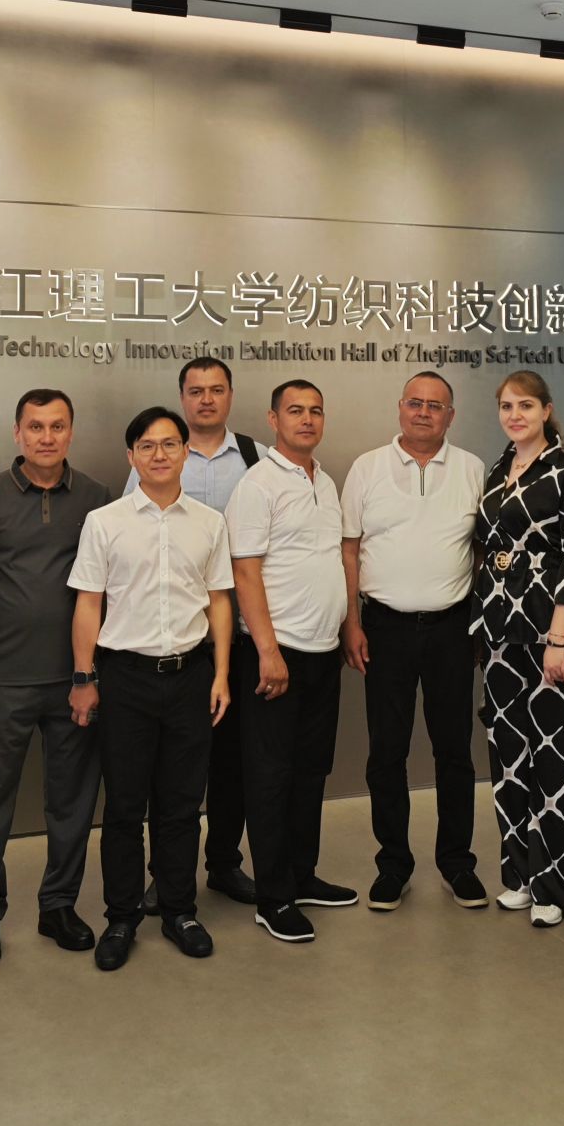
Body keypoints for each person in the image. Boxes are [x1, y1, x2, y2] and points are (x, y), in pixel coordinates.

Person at [68, 407, 235, 971]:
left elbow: (219, 600)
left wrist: (220, 674)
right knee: (124, 806)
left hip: (190, 677)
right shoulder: (105, 522)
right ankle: (121, 916)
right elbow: (88, 603)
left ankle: (179, 909)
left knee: (182, 804)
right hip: (125, 679)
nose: (159, 454)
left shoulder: (209, 522)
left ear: (186, 451)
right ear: (131, 456)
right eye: (146, 445)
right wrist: (84, 677)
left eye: (169, 444)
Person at [0, 389, 114, 969]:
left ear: (71, 432)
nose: (46, 437)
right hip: (1, 678)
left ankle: (58, 906)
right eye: (35, 427)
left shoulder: (98, 499)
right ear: (17, 433)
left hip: (76, 679)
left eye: (57, 426)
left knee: (72, 800)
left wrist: (89, 672)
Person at [340, 372, 488, 912]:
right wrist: (351, 622)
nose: (424, 412)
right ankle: (393, 865)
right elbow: (349, 549)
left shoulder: (473, 469)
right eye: (415, 403)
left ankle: (457, 862)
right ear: (400, 408)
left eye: (435, 405)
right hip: (384, 628)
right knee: (387, 752)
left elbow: (482, 551)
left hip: (452, 628)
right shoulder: (366, 468)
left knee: (455, 751)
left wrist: (480, 622)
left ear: (451, 416)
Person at [127, 356, 261, 908]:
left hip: (236, 634)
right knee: (168, 771)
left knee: (231, 762)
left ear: (230, 396)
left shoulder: (255, 457)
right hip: (171, 638)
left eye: (216, 389)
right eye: (196, 390)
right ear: (182, 397)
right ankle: (166, 873)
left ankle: (224, 863)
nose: (206, 399)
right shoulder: (152, 457)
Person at [228, 380, 355, 943]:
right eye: (295, 411)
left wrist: (346, 627)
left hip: (323, 652)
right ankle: (273, 896)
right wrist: (267, 651)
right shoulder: (257, 484)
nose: (307, 419)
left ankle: (302, 876)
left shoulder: (325, 481)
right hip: (276, 657)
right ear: (273, 419)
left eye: (315, 411)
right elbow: (244, 571)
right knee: (270, 778)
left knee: (310, 771)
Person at [473, 370, 564, 928]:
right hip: (502, 634)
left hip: (554, 638)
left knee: (557, 758)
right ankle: (521, 875)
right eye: (506, 406)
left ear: (546, 410)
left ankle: (562, 888)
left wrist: (559, 639)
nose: (515, 415)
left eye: (525, 405)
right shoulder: (499, 468)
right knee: (510, 758)